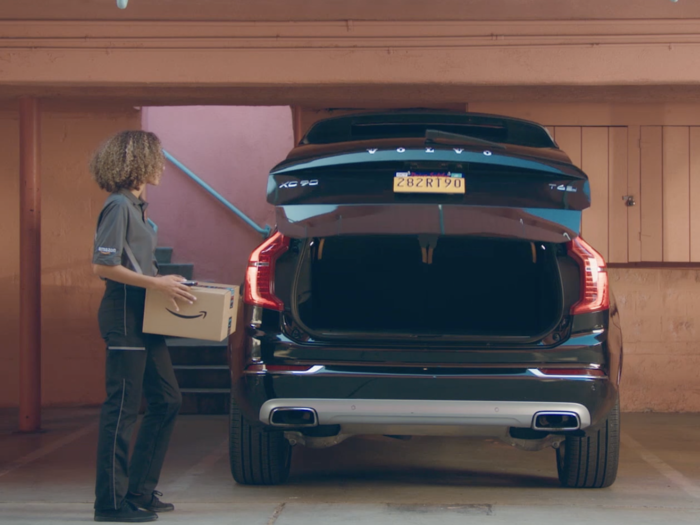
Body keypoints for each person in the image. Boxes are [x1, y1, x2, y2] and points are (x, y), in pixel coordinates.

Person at [90, 130, 197, 523]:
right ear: (139, 163)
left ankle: (138, 491)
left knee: (168, 399)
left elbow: (138, 263)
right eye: (158, 159)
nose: (163, 166)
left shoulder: (137, 207)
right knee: (121, 410)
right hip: (124, 314)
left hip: (145, 314)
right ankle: (110, 503)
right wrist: (156, 282)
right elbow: (102, 265)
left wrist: (166, 284)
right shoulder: (118, 206)